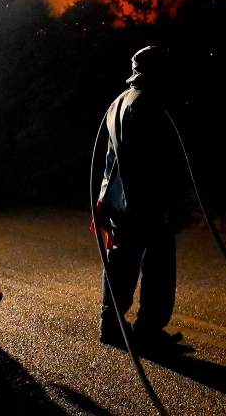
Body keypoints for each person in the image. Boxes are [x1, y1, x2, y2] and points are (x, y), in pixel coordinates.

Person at [95, 46, 189, 351]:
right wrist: (165, 203)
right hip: (144, 201)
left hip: (119, 201)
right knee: (158, 264)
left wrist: (102, 200)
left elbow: (110, 158)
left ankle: (112, 325)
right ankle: (147, 329)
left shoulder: (119, 103)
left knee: (121, 263)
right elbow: (154, 162)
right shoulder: (148, 105)